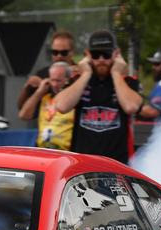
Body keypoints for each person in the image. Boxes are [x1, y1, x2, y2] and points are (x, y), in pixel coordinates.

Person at [52, 29, 142, 164]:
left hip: (118, 165)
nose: (101, 60)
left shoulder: (127, 81)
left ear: (116, 54)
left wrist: (116, 73)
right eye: (95, 55)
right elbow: (61, 106)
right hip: (83, 166)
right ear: (87, 55)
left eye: (106, 54)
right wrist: (85, 74)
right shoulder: (78, 80)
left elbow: (131, 106)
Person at [18, 61, 74, 150]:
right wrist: (39, 92)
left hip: (66, 151)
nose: (55, 84)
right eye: (52, 80)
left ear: (67, 79)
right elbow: (23, 116)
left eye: (58, 80)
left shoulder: (74, 99)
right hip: (43, 150)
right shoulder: (45, 97)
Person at [16, 29, 76, 111]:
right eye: (55, 52)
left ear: (72, 52)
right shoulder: (43, 74)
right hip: (47, 121)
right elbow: (22, 107)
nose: (59, 56)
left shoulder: (80, 74)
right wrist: (27, 88)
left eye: (64, 52)